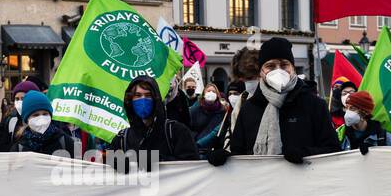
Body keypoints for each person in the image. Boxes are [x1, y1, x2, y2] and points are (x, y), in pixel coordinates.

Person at [216, 36, 339, 164]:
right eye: (270, 66)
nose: (278, 70)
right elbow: (239, 152)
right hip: (261, 182)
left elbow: (333, 149)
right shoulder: (249, 108)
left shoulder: (314, 105)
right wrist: (225, 158)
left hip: (303, 181)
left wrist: (305, 153)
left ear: (293, 68)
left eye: (284, 64)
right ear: (261, 72)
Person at [108, 75, 199, 163]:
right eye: (138, 95)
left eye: (148, 95)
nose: (143, 99)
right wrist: (115, 162)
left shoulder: (176, 132)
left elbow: (192, 166)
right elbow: (107, 168)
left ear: (156, 99)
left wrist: (160, 160)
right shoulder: (122, 138)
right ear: (130, 100)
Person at [15, 90, 75, 155]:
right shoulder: (19, 148)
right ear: (27, 119)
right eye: (36, 115)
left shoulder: (64, 141)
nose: (41, 118)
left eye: (45, 114)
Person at [0, 80, 39, 152]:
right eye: (17, 99)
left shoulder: (44, 119)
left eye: (23, 98)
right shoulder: (11, 119)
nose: (19, 102)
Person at [188, 82, 230, 159]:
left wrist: (199, 144)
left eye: (214, 92)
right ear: (203, 94)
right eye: (208, 91)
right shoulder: (194, 110)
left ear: (217, 95)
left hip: (214, 151)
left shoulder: (223, 111)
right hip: (197, 150)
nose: (211, 93)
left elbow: (217, 131)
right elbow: (189, 127)